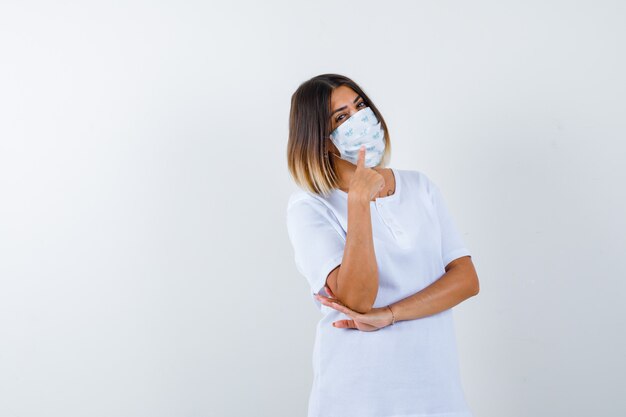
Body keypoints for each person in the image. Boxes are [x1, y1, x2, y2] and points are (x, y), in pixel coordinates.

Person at [285, 73, 480, 417]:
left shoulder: (420, 187)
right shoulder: (309, 208)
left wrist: (389, 315)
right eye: (341, 117)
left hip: (435, 389)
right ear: (321, 139)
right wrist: (358, 202)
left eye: (360, 106)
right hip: (357, 395)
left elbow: (466, 280)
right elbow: (357, 299)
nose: (359, 119)